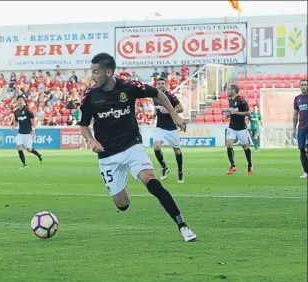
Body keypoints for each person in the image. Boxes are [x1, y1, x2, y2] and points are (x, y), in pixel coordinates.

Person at [78, 53, 196, 242]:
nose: (92, 76)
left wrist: (175, 115)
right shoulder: (90, 96)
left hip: (131, 145)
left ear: (109, 72)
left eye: (96, 72)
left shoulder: (130, 87)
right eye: (92, 72)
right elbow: (83, 126)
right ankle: (123, 180)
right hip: (107, 154)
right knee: (122, 204)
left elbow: (158, 93)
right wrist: (92, 141)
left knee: (151, 180)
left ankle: (182, 226)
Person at [153, 78, 185, 183]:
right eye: (159, 84)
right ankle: (165, 167)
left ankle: (180, 171)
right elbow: (157, 109)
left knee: (177, 150)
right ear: (156, 85)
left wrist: (170, 110)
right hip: (160, 126)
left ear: (166, 85)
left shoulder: (171, 96)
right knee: (156, 147)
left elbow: (181, 108)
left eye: (163, 83)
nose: (161, 85)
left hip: (171, 127)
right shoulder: (155, 96)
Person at [225, 84, 253, 175]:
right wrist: (229, 114)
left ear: (233, 91)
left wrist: (236, 112)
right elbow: (231, 111)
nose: (228, 91)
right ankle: (233, 166)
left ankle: (250, 164)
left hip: (241, 128)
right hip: (232, 126)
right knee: (229, 144)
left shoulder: (241, 100)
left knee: (245, 146)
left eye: (229, 90)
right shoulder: (230, 100)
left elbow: (248, 112)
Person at [12, 96, 43, 169]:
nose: (20, 101)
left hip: (28, 133)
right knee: (19, 147)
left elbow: (34, 118)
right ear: (17, 101)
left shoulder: (27, 110)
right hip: (20, 133)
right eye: (19, 100)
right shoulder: (16, 112)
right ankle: (24, 164)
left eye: (21, 100)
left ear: (24, 101)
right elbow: (16, 122)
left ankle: (38, 155)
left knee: (29, 149)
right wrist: (13, 126)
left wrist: (33, 129)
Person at [292, 79, 308, 179]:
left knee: (307, 149)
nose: (303, 87)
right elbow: (295, 114)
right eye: (302, 85)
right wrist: (294, 128)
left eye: (305, 85)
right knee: (302, 150)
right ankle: (306, 172)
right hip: (301, 128)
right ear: (300, 86)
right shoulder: (297, 99)